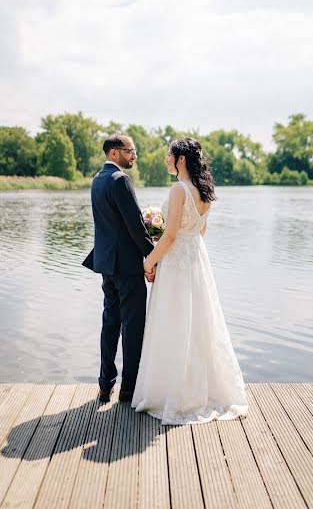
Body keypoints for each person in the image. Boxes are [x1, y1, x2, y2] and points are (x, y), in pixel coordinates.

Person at [132, 137, 248, 425]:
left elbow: (170, 235)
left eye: (168, 156)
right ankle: (203, 390)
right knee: (198, 323)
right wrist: (184, 249)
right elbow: (200, 231)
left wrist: (149, 261)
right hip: (196, 260)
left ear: (181, 159)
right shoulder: (204, 190)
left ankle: (171, 392)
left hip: (175, 265)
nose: (165, 160)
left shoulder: (178, 190)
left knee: (173, 322)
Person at [82, 134, 155, 403]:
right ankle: (129, 388)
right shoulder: (120, 180)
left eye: (134, 151)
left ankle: (105, 383)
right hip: (127, 266)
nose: (134, 155)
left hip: (107, 265)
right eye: (130, 151)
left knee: (110, 323)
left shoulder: (97, 179)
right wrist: (153, 255)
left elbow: (112, 224)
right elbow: (135, 225)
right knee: (133, 327)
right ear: (114, 153)